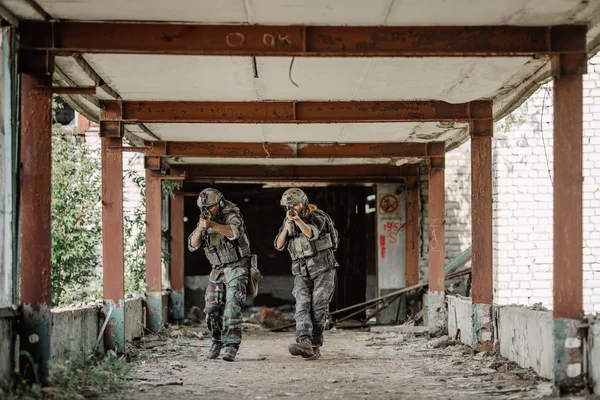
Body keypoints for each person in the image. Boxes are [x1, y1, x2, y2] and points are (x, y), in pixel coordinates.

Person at [274, 188, 339, 360]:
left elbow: (311, 233)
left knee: (318, 308)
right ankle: (304, 341)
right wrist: (287, 228)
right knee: (302, 305)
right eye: (288, 206)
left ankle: (314, 345)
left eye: (294, 205)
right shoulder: (288, 221)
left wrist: (298, 221)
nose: (291, 209)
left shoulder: (318, 216)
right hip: (302, 271)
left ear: (303, 203)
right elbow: (279, 245)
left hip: (323, 269)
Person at [188, 188, 252, 362]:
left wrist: (213, 226)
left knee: (232, 308)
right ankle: (217, 340)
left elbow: (234, 232)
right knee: (211, 309)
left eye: (211, 207)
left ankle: (231, 346)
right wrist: (201, 228)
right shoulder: (205, 219)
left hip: (237, 267)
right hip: (217, 269)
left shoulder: (231, 214)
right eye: (205, 207)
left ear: (220, 203)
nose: (208, 210)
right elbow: (192, 245)